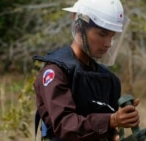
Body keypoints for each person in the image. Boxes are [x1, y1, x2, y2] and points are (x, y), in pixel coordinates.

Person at [33, 0, 140, 141]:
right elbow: (65, 125)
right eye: (102, 34)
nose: (108, 43)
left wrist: (119, 127)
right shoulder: (56, 72)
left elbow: (108, 131)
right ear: (79, 27)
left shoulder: (109, 79)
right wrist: (112, 120)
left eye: (112, 36)